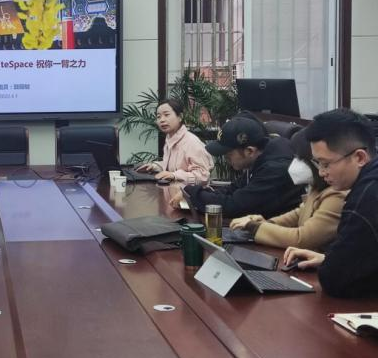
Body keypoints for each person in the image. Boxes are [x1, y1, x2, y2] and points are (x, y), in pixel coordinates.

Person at [283, 109, 378, 298]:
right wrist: (327, 258)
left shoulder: (368, 198)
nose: (321, 173)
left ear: (360, 157)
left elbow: (334, 280)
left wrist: (331, 264)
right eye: (317, 164)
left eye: (326, 164)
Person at [230, 128, 347, 249]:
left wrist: (255, 227)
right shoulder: (317, 188)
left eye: (301, 159)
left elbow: (302, 239)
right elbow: (298, 214)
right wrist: (267, 224)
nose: (295, 163)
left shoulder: (336, 195)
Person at [172, 115, 304, 219]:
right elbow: (233, 189)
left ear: (249, 151)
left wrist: (192, 192)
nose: (226, 159)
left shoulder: (276, 169)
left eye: (228, 154)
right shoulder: (260, 158)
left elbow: (234, 206)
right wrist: (198, 193)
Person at [137, 99, 215, 184]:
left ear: (180, 117)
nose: (162, 120)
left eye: (166, 115)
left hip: (191, 192)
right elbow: (173, 166)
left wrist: (175, 175)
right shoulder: (170, 139)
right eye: (158, 116)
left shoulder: (192, 142)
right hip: (173, 190)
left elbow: (203, 176)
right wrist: (154, 166)